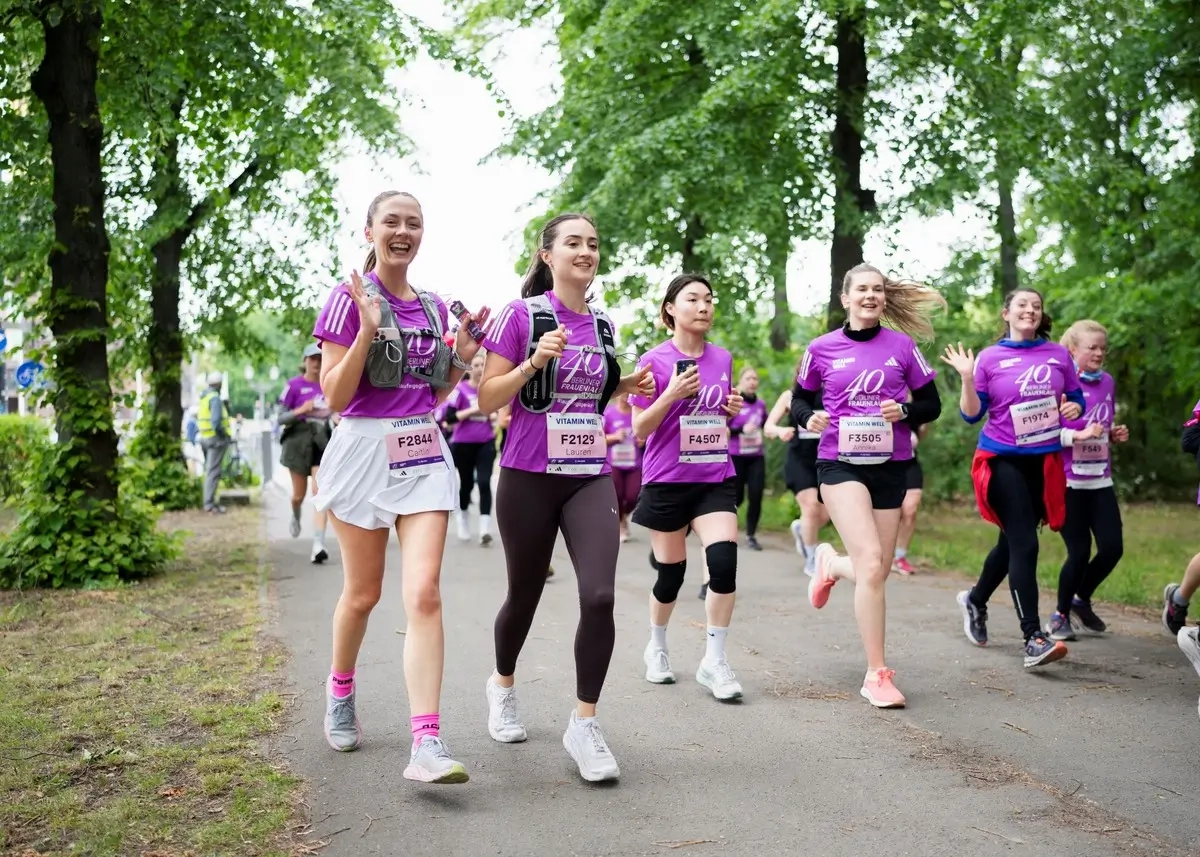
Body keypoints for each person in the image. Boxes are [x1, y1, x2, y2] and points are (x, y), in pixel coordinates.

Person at [310, 190, 489, 784]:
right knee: (362, 596)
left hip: (420, 449)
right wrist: (366, 330)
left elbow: (434, 395)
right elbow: (334, 398)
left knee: (425, 594)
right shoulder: (347, 299)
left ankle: (427, 743)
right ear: (369, 232)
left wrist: (461, 359)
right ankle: (340, 688)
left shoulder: (435, 307)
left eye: (414, 223)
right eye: (392, 221)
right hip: (362, 449)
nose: (403, 231)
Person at [477, 212, 654, 783]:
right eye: (573, 242)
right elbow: (487, 399)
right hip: (528, 476)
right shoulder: (521, 316)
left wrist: (624, 385)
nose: (585, 251)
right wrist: (534, 360)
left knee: (599, 595)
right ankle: (502, 684)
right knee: (524, 594)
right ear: (547, 255)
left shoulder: (603, 326)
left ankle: (584, 722)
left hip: (587, 473)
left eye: (593, 244)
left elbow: (592, 395)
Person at [792, 263, 944, 707]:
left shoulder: (902, 346)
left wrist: (906, 412)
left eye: (877, 290)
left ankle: (832, 566)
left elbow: (932, 403)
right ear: (846, 298)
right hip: (838, 462)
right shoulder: (821, 348)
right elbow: (800, 399)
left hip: (890, 463)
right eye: (862, 289)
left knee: (873, 571)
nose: (870, 296)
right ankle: (877, 674)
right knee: (875, 560)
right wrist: (809, 417)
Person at [943, 287, 1085, 669]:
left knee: (1011, 545)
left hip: (1043, 464)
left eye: (1036, 306)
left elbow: (1076, 399)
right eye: (1022, 304)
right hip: (1002, 459)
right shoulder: (990, 358)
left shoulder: (1058, 355)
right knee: (1025, 544)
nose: (1030, 310)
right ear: (1006, 313)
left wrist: (1073, 406)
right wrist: (967, 378)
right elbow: (972, 414)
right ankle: (1033, 636)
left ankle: (975, 599)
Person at [631, 274, 745, 701]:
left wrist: (729, 410)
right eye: (692, 299)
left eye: (709, 299)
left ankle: (714, 661)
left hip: (714, 475)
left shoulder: (723, 358)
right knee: (672, 575)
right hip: (667, 479)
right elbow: (640, 428)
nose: (703, 306)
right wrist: (670, 395)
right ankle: (656, 646)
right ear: (670, 310)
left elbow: (714, 418)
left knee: (723, 563)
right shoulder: (654, 360)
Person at [1048, 320, 1129, 639]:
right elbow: (1047, 432)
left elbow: (1101, 425)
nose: (1099, 353)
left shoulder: (1107, 382)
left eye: (1102, 348)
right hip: (1069, 482)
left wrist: (1113, 433)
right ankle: (1059, 615)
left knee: (1112, 548)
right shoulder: (1060, 384)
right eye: (1091, 348)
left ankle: (1081, 599)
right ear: (1072, 350)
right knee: (1079, 551)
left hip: (1100, 480)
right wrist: (1078, 435)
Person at [765, 362, 828, 575]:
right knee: (810, 507)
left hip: (827, 461)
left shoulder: (832, 393)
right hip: (799, 460)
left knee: (826, 515)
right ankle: (811, 559)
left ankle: (802, 529)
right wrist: (780, 431)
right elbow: (768, 427)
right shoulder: (790, 396)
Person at [278, 343, 334, 563]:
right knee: (298, 495)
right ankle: (296, 513)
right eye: (313, 359)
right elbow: (280, 418)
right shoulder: (293, 385)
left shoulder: (329, 383)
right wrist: (302, 410)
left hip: (321, 440)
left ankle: (318, 544)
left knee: (319, 493)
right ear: (305, 361)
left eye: (320, 359)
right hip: (298, 441)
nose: (317, 363)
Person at [444, 351, 498, 546]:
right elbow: (448, 419)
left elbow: (498, 413)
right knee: (466, 484)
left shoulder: (489, 390)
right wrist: (474, 411)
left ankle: (485, 528)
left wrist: (492, 417)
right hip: (463, 444)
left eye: (482, 365)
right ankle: (463, 519)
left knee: (484, 483)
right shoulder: (460, 390)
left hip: (485, 442)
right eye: (475, 365)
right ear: (470, 369)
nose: (479, 369)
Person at [729, 366, 767, 551]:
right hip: (736, 456)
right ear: (741, 381)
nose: (752, 382)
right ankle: (726, 532)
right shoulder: (734, 403)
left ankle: (751, 535)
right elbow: (723, 428)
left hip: (756, 456)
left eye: (755, 379)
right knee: (737, 497)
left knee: (756, 495)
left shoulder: (760, 405)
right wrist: (740, 430)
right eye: (748, 378)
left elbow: (767, 424)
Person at [604, 392, 643, 543]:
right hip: (614, 463)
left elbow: (647, 431)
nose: (625, 397)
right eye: (622, 394)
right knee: (617, 494)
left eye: (628, 395)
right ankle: (620, 524)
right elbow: (597, 436)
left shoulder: (638, 411)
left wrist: (642, 440)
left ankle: (623, 515)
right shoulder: (609, 413)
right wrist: (614, 437)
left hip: (634, 463)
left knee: (634, 496)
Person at [892, 419, 929, 575]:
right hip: (884, 464)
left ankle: (900, 557)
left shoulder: (915, 406)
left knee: (910, 509)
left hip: (910, 463)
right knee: (890, 512)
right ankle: (878, 553)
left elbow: (920, 436)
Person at [197, 371, 230, 514]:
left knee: (210, 470)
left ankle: (209, 502)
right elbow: (216, 422)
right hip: (215, 440)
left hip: (205, 437)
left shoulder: (204, 397)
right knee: (213, 472)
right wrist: (224, 435)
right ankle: (209, 504)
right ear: (220, 384)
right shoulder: (215, 398)